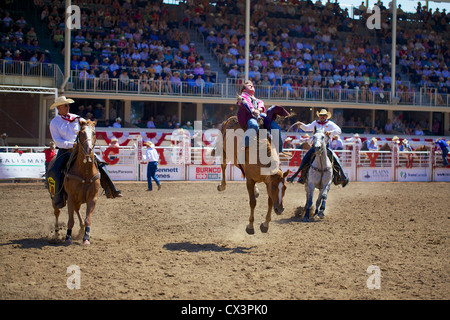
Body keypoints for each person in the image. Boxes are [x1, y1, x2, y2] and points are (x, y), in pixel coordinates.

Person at [47, 96, 122, 209]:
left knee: (100, 163)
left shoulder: (77, 118)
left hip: (81, 149)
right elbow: (57, 141)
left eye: (68, 105)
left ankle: (111, 189)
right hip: (65, 150)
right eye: (65, 105)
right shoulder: (54, 123)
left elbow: (89, 126)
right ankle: (58, 198)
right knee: (54, 170)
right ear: (58, 108)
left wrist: (88, 138)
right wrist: (71, 144)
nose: (68, 107)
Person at [287, 109, 349, 187]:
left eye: (323, 115)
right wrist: (301, 124)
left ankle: (341, 177)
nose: (322, 117)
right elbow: (306, 128)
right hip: (315, 146)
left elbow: (339, 130)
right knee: (305, 159)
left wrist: (331, 132)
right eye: (321, 115)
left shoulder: (330, 124)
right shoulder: (315, 123)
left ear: (326, 116)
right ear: (319, 116)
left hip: (326, 147)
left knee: (336, 160)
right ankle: (300, 176)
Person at [236, 80, 286, 153]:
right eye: (248, 85)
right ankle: (244, 145)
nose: (251, 85)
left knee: (276, 128)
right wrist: (253, 110)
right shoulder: (243, 97)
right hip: (249, 117)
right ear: (244, 90)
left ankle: (279, 151)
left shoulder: (258, 100)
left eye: (252, 84)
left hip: (260, 116)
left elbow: (261, 106)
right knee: (254, 125)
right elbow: (247, 103)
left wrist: (258, 111)